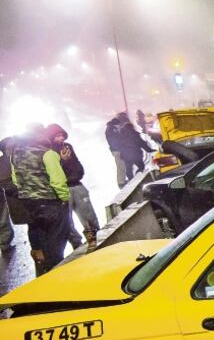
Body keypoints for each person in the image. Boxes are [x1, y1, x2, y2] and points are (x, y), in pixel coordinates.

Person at [9, 125, 71, 274]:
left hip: (29, 203)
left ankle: (45, 274)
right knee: (56, 243)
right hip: (50, 202)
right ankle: (57, 274)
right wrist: (64, 198)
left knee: (42, 239)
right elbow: (57, 180)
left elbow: (15, 180)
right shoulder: (48, 153)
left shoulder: (15, 154)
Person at [46, 124, 99, 252]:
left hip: (76, 184)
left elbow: (76, 163)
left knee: (88, 214)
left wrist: (78, 173)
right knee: (66, 220)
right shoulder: (50, 152)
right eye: (57, 136)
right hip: (63, 188)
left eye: (62, 135)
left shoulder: (68, 146)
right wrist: (63, 161)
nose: (61, 139)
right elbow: (55, 171)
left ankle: (94, 237)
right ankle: (77, 243)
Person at [113, 112, 155, 182]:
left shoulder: (120, 134)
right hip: (136, 155)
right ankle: (137, 177)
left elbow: (118, 144)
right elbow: (141, 143)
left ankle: (131, 181)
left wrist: (120, 152)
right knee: (141, 166)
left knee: (129, 169)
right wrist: (149, 150)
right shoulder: (134, 134)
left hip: (126, 156)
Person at [105, 113, 129, 187]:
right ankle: (121, 182)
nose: (119, 127)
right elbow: (114, 141)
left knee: (122, 165)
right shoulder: (111, 130)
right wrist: (120, 147)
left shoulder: (111, 129)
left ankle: (122, 180)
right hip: (117, 151)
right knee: (120, 166)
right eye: (118, 125)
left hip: (117, 150)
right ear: (116, 124)